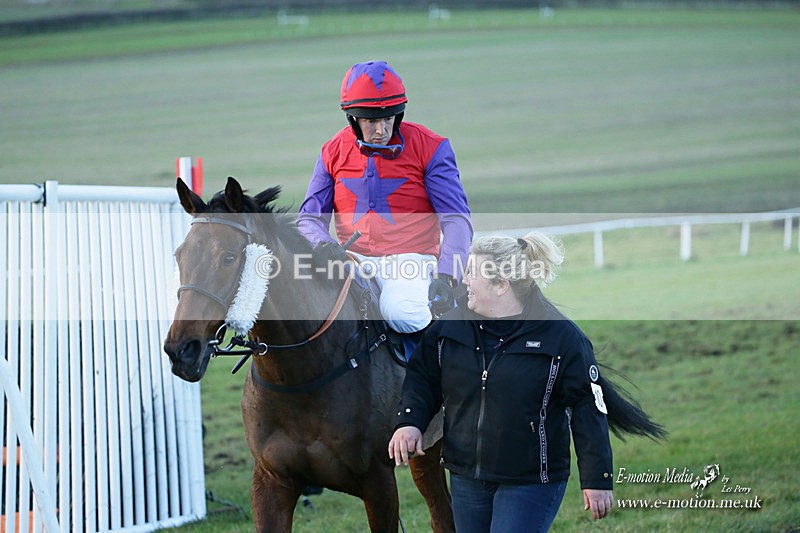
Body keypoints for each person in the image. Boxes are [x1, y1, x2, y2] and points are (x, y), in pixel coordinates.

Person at [388, 232, 665, 532]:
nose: (464, 280)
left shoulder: (562, 338)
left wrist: (597, 479)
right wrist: (410, 422)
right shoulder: (447, 329)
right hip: (467, 476)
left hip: (531, 481)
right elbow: (422, 378)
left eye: (472, 273)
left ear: (501, 285)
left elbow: (588, 406)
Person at [297, 60, 473, 337]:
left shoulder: (431, 147)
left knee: (402, 312)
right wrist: (323, 244)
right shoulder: (332, 151)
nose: (381, 130)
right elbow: (308, 218)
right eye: (371, 121)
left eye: (388, 119)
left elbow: (456, 219)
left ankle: (438, 358)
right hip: (352, 260)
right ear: (353, 119)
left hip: (411, 260)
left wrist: (447, 274)